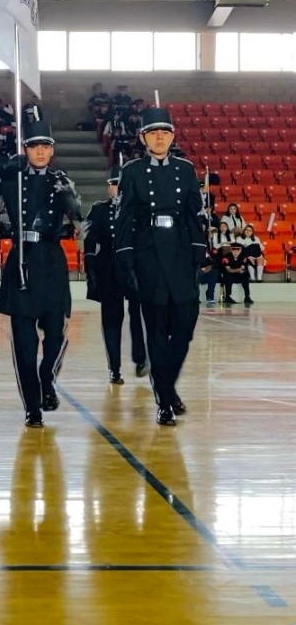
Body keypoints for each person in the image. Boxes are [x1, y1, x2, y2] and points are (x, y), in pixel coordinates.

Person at [0, 116, 82, 427]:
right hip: (22, 260)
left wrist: (65, 188)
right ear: (25, 148)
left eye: (45, 146)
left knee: (56, 334)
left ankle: (47, 377)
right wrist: (6, 165)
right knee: (24, 344)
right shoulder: (13, 177)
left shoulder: (61, 179)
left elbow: (77, 211)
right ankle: (32, 406)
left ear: (52, 150)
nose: (40, 152)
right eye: (33, 147)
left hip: (51, 259)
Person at [114, 106, 206, 427]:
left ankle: (166, 386)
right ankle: (164, 401)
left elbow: (196, 214)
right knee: (156, 330)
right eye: (153, 132)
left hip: (180, 253)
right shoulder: (133, 171)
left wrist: (199, 249)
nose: (159, 137)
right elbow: (123, 216)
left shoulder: (186, 169)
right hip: (148, 254)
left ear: (172, 136)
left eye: (164, 132)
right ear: (143, 137)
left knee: (184, 329)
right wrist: (125, 254)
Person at [83, 165, 147, 385]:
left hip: (135, 266)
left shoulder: (139, 209)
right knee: (111, 320)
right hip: (109, 269)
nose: (117, 189)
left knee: (139, 315)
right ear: (108, 187)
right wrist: (91, 271)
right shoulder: (99, 210)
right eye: (113, 184)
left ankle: (141, 357)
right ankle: (115, 368)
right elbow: (90, 242)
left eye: (120, 184)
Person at [221, 242, 254, 306]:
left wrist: (239, 270)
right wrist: (238, 270)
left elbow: (243, 268)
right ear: (231, 250)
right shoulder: (226, 257)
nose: (236, 252)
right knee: (227, 276)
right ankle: (228, 296)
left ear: (241, 250)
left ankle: (247, 296)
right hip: (229, 275)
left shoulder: (243, 257)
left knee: (245, 275)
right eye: (233, 250)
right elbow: (228, 269)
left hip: (238, 275)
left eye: (238, 250)